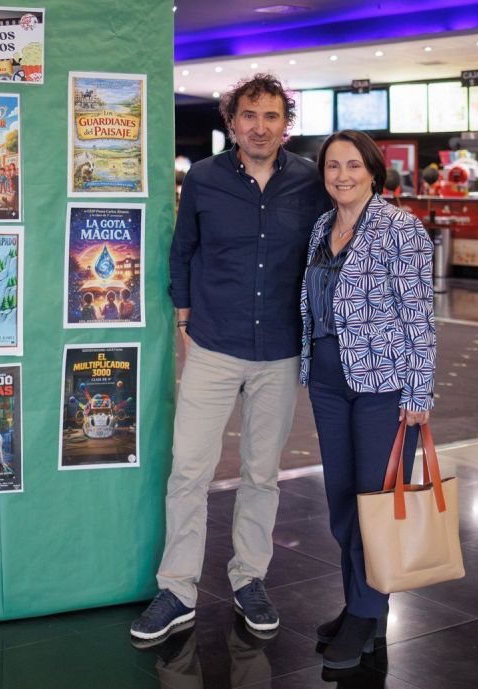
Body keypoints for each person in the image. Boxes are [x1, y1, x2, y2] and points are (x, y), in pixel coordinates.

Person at [131, 73, 329, 644]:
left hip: (281, 351)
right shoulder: (205, 178)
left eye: (271, 116)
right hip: (214, 345)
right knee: (189, 470)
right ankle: (177, 590)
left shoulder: (310, 183)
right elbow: (183, 250)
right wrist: (185, 317)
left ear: (285, 124)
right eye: (249, 115)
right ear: (231, 121)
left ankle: (250, 579)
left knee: (261, 474)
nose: (260, 127)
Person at [298, 130, 435, 670]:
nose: (342, 176)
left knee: (375, 504)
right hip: (330, 381)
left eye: (353, 165)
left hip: (384, 387)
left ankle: (365, 612)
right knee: (342, 500)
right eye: (333, 166)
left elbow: (420, 316)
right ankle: (362, 609)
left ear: (373, 172)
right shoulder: (320, 228)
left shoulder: (401, 228)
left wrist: (419, 391)